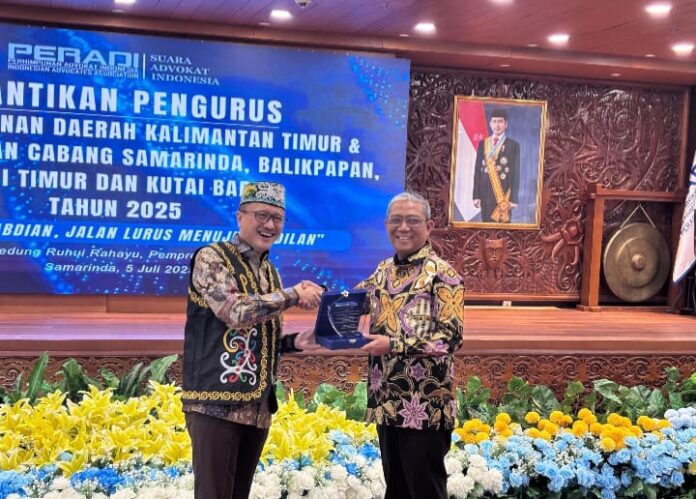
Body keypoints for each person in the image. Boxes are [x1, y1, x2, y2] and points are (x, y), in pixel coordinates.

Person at [181, 181, 324, 499]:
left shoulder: (270, 272)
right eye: (262, 215)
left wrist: (295, 342)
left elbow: (257, 336)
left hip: (256, 409)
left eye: (277, 218)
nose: (270, 225)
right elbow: (234, 312)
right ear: (240, 217)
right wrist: (293, 295)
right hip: (215, 404)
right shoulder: (211, 258)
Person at [357, 191, 465, 499]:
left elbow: (450, 338)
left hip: (425, 406)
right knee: (396, 491)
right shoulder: (383, 271)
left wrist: (393, 344)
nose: (403, 227)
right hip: (387, 403)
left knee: (425, 491)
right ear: (386, 225)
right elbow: (353, 299)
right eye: (396, 220)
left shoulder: (443, 276)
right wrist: (323, 296)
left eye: (412, 221)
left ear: (429, 227)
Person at [473, 108, 520, 223]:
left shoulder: (513, 145)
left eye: (500, 121)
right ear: (490, 123)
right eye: (494, 121)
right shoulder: (483, 144)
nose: (497, 125)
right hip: (484, 193)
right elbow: (477, 171)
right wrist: (476, 195)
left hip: (503, 195)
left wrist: (513, 199)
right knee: (485, 225)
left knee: (502, 228)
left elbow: (515, 173)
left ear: (506, 124)